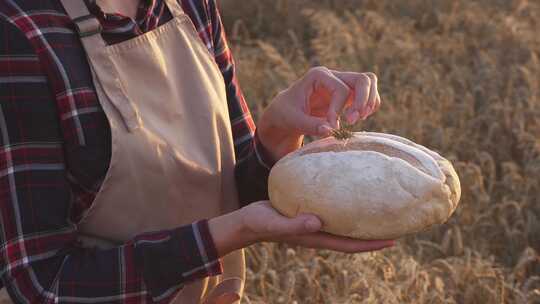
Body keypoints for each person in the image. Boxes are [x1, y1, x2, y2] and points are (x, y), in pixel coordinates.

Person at [0, 0, 393, 303]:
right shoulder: (19, 31)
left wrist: (278, 129)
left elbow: (231, 191)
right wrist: (231, 233)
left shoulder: (188, 7)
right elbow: (39, 284)